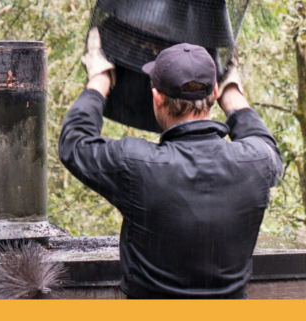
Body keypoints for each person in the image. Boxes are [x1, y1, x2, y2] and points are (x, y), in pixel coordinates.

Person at [58, 28, 283, 299]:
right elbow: (265, 143)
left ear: (156, 97)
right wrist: (232, 92)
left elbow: (74, 143)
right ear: (214, 92)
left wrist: (99, 79)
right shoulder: (256, 162)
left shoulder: (136, 165)